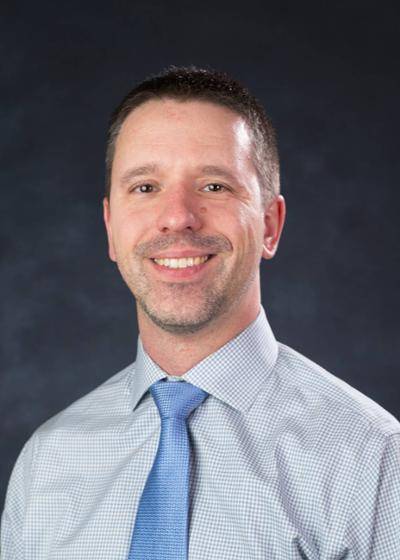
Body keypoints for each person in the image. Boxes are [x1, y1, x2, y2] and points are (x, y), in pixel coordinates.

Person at [1, 66, 399, 560]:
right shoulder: (47, 462)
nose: (177, 218)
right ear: (110, 228)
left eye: (214, 186)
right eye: (145, 187)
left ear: (270, 226)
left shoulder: (370, 458)